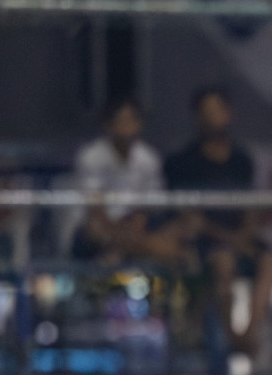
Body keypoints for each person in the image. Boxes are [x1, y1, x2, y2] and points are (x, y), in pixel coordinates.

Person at [163, 87, 272, 373]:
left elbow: (251, 207)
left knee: (270, 260)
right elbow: (188, 217)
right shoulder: (183, 161)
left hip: (240, 237)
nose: (212, 117)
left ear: (229, 114)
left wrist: (244, 235)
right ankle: (232, 338)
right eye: (206, 112)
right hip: (206, 240)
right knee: (223, 261)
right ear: (197, 117)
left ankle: (250, 331)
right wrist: (227, 237)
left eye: (217, 110)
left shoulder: (242, 160)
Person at [68, 98, 191, 267]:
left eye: (131, 120)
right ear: (108, 124)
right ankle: (154, 249)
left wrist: (137, 224)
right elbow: (95, 209)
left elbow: (151, 204)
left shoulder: (149, 157)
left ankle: (122, 252)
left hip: (138, 226)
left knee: (179, 227)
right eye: (121, 120)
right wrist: (121, 231)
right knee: (95, 230)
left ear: (139, 124)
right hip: (100, 227)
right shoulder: (91, 157)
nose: (126, 126)